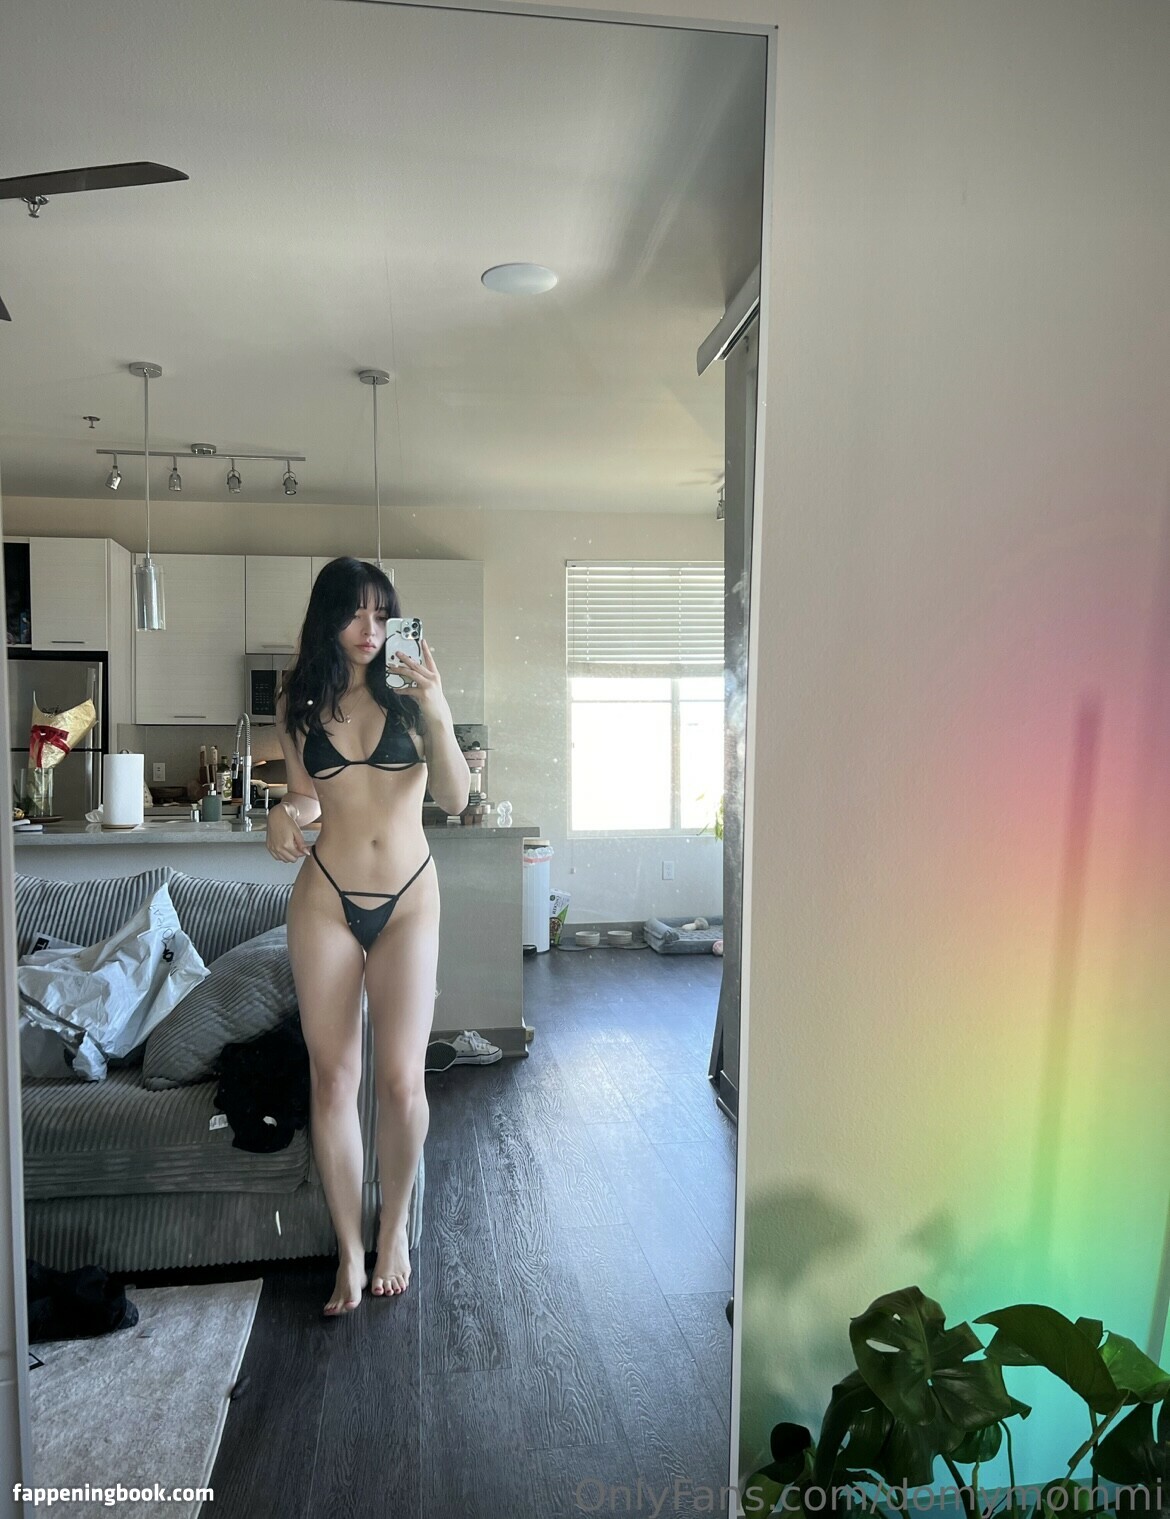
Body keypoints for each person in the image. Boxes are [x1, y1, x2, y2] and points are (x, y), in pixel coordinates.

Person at [266, 557, 470, 1315]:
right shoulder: (300, 703)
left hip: (409, 899)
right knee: (332, 1080)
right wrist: (282, 813)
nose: (369, 628)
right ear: (327, 618)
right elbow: (308, 798)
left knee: (402, 1081)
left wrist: (437, 708)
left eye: (382, 614)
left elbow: (454, 797)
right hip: (326, 898)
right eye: (354, 613)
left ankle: (396, 1227)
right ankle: (350, 1251)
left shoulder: (414, 697)